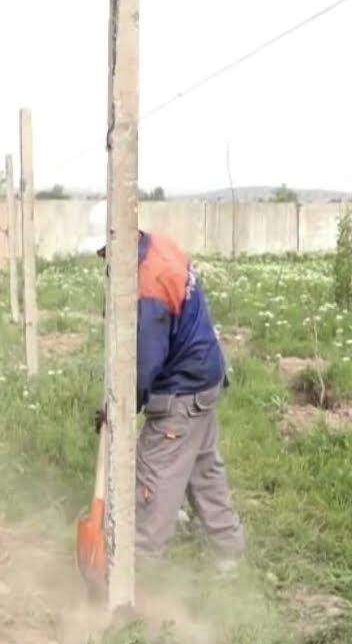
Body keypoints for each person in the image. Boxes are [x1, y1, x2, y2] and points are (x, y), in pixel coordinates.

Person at [81, 202, 246, 571]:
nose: (101, 257)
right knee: (205, 474)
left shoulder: (147, 286)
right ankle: (229, 558)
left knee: (152, 483)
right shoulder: (161, 244)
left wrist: (118, 411)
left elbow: (142, 363)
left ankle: (136, 573)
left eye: (104, 250)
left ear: (120, 239)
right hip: (206, 377)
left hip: (182, 389)